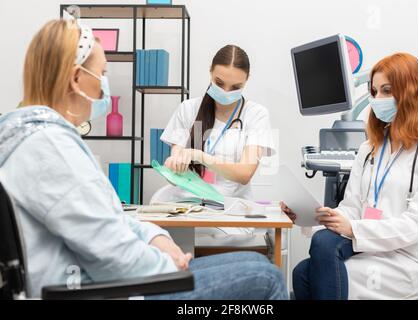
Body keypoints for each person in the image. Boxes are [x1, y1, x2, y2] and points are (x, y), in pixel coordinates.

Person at [0, 18, 287, 300]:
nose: (105, 85)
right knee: (267, 277)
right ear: (76, 79)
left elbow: (107, 221)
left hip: (119, 274)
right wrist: (167, 264)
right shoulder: (51, 149)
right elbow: (110, 252)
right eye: (102, 73)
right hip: (114, 288)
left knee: (261, 265)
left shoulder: (40, 137)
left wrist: (154, 237)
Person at [282, 53, 418, 300]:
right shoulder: (369, 148)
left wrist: (354, 228)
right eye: (374, 92)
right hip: (368, 249)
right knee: (303, 270)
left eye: (386, 90)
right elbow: (352, 206)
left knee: (310, 272)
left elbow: (417, 225)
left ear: (412, 92)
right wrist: (319, 215)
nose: (377, 100)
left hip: (408, 259)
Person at [160, 44, 276, 239]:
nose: (226, 92)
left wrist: (199, 155)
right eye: (219, 82)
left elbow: (244, 173)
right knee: (163, 234)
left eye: (235, 87)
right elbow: (175, 168)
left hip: (231, 212)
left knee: (213, 236)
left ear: (246, 82)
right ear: (210, 73)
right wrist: (173, 165)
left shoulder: (256, 115)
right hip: (187, 207)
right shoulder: (188, 109)